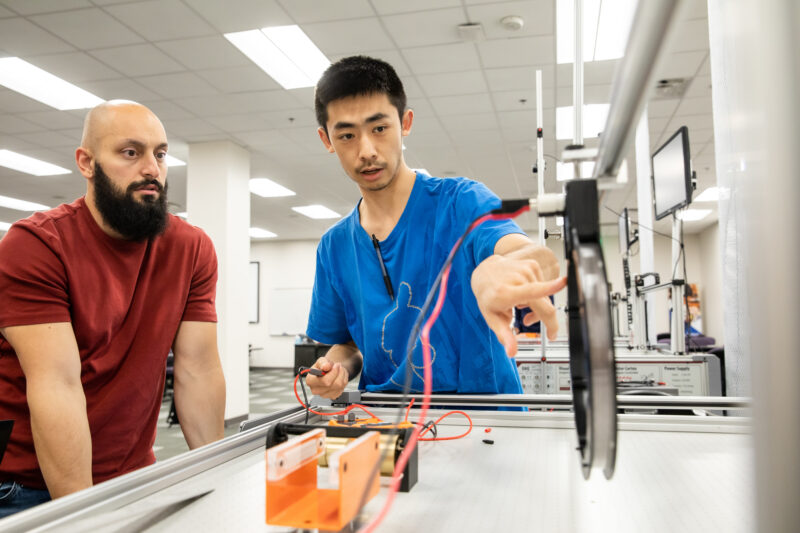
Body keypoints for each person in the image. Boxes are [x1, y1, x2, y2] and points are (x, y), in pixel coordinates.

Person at [0, 101, 226, 518]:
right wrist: (84, 517)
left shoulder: (191, 248)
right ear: (86, 163)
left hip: (134, 472)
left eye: (160, 154)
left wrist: (214, 481)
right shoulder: (35, 245)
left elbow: (199, 369)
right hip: (28, 487)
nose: (151, 169)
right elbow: (57, 387)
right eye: (130, 152)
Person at [305, 56, 566, 399]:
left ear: (405, 122)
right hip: (387, 421)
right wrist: (335, 369)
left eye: (379, 128)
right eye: (347, 135)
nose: (366, 151)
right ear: (327, 139)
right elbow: (348, 343)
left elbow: (525, 252)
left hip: (485, 419)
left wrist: (504, 269)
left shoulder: (461, 202)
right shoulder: (334, 246)